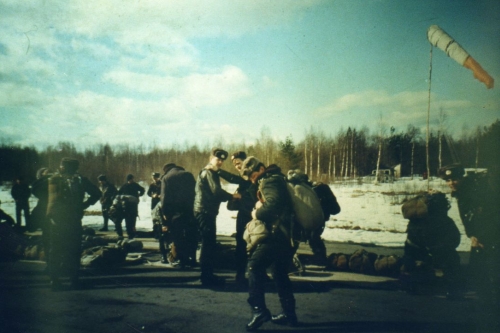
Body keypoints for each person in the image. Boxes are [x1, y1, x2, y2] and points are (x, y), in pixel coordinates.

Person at [240, 156, 299, 331]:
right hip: (288, 234)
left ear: (261, 168)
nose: (252, 179)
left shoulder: (269, 181)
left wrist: (257, 213)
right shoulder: (277, 178)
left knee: (254, 266)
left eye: (252, 174)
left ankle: (259, 310)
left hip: (277, 235)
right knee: (279, 271)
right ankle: (289, 314)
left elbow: (274, 206)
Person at [439, 164, 500, 305]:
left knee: (483, 267)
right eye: (448, 181)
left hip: (488, 234)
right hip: (481, 234)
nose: (451, 183)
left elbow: (485, 214)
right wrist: (472, 234)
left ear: (461, 178)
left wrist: (479, 236)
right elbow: (469, 217)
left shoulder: (472, 191)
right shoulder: (463, 191)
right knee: (480, 268)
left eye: (454, 179)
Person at [46, 158, 101, 289]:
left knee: (55, 249)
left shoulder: (53, 179)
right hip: (73, 219)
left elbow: (37, 190)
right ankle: (74, 280)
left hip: (55, 220)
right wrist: (84, 205)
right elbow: (97, 193)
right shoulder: (80, 180)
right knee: (74, 250)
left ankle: (54, 281)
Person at [194, 148, 241, 287]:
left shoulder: (207, 171)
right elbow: (216, 192)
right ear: (211, 159)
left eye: (222, 160)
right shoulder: (209, 172)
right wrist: (233, 196)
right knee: (208, 244)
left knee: (208, 243)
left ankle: (207, 275)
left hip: (204, 211)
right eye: (217, 159)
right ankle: (206, 277)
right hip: (205, 211)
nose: (220, 162)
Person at [401, 192, 462, 298]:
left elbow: (410, 245)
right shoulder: (444, 221)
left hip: (417, 255)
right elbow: (454, 240)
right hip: (433, 254)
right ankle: (453, 288)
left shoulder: (414, 222)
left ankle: (414, 283)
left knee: (412, 265)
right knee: (452, 259)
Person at [212, 151, 256, 283]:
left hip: (252, 214)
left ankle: (251, 273)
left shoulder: (249, 174)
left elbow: (235, 179)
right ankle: (241, 273)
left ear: (245, 161)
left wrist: (218, 171)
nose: (237, 166)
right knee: (242, 244)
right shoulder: (244, 176)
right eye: (234, 164)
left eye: (238, 163)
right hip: (244, 213)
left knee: (253, 244)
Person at [160, 163, 197, 267]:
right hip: (190, 211)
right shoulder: (188, 175)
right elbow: (196, 193)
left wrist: (165, 213)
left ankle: (181, 260)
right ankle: (192, 258)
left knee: (178, 236)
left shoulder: (166, 177)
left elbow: (164, 198)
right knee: (191, 235)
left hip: (175, 213)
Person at [31, 167, 52, 264]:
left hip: (56, 212)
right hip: (45, 212)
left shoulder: (55, 182)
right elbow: (34, 189)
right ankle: (49, 261)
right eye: (45, 173)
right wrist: (44, 178)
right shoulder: (41, 184)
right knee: (47, 237)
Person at [117, 174, 145, 239]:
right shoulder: (125, 186)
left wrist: (139, 195)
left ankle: (132, 232)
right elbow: (119, 193)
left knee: (133, 218)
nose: (131, 180)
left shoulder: (135, 185)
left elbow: (142, 189)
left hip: (133, 205)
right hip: (126, 205)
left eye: (132, 179)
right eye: (130, 179)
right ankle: (129, 232)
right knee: (128, 219)